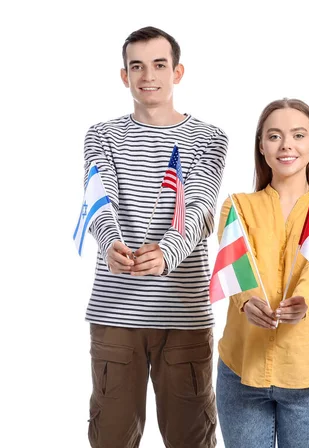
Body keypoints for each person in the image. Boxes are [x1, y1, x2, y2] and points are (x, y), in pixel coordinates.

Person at [82, 26, 227, 448]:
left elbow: (199, 209)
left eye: (159, 65)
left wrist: (165, 254)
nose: (149, 75)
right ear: (124, 76)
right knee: (110, 437)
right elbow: (99, 198)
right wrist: (109, 243)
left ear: (177, 72)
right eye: (137, 66)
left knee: (191, 439)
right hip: (115, 315)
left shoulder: (209, 137)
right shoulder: (102, 134)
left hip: (183, 316)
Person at [215, 98, 309, 448]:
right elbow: (235, 266)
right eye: (274, 136)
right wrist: (248, 301)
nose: (286, 145)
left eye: (298, 135)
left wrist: (302, 301)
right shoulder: (237, 206)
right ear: (262, 147)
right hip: (242, 369)